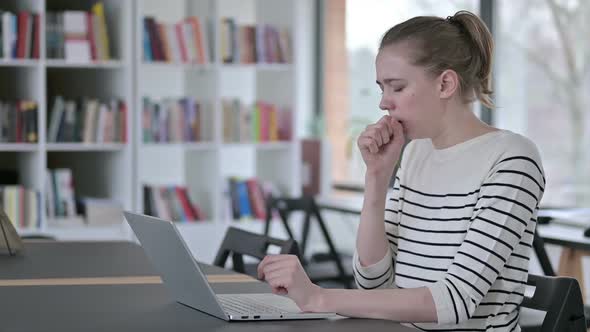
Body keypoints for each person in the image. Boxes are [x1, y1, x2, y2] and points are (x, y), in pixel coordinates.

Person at [257, 10, 545, 331]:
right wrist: (377, 178)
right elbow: (374, 283)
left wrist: (319, 298)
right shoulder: (416, 153)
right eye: (382, 88)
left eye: (396, 87)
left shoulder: (512, 159)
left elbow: (455, 301)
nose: (384, 103)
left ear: (446, 84)